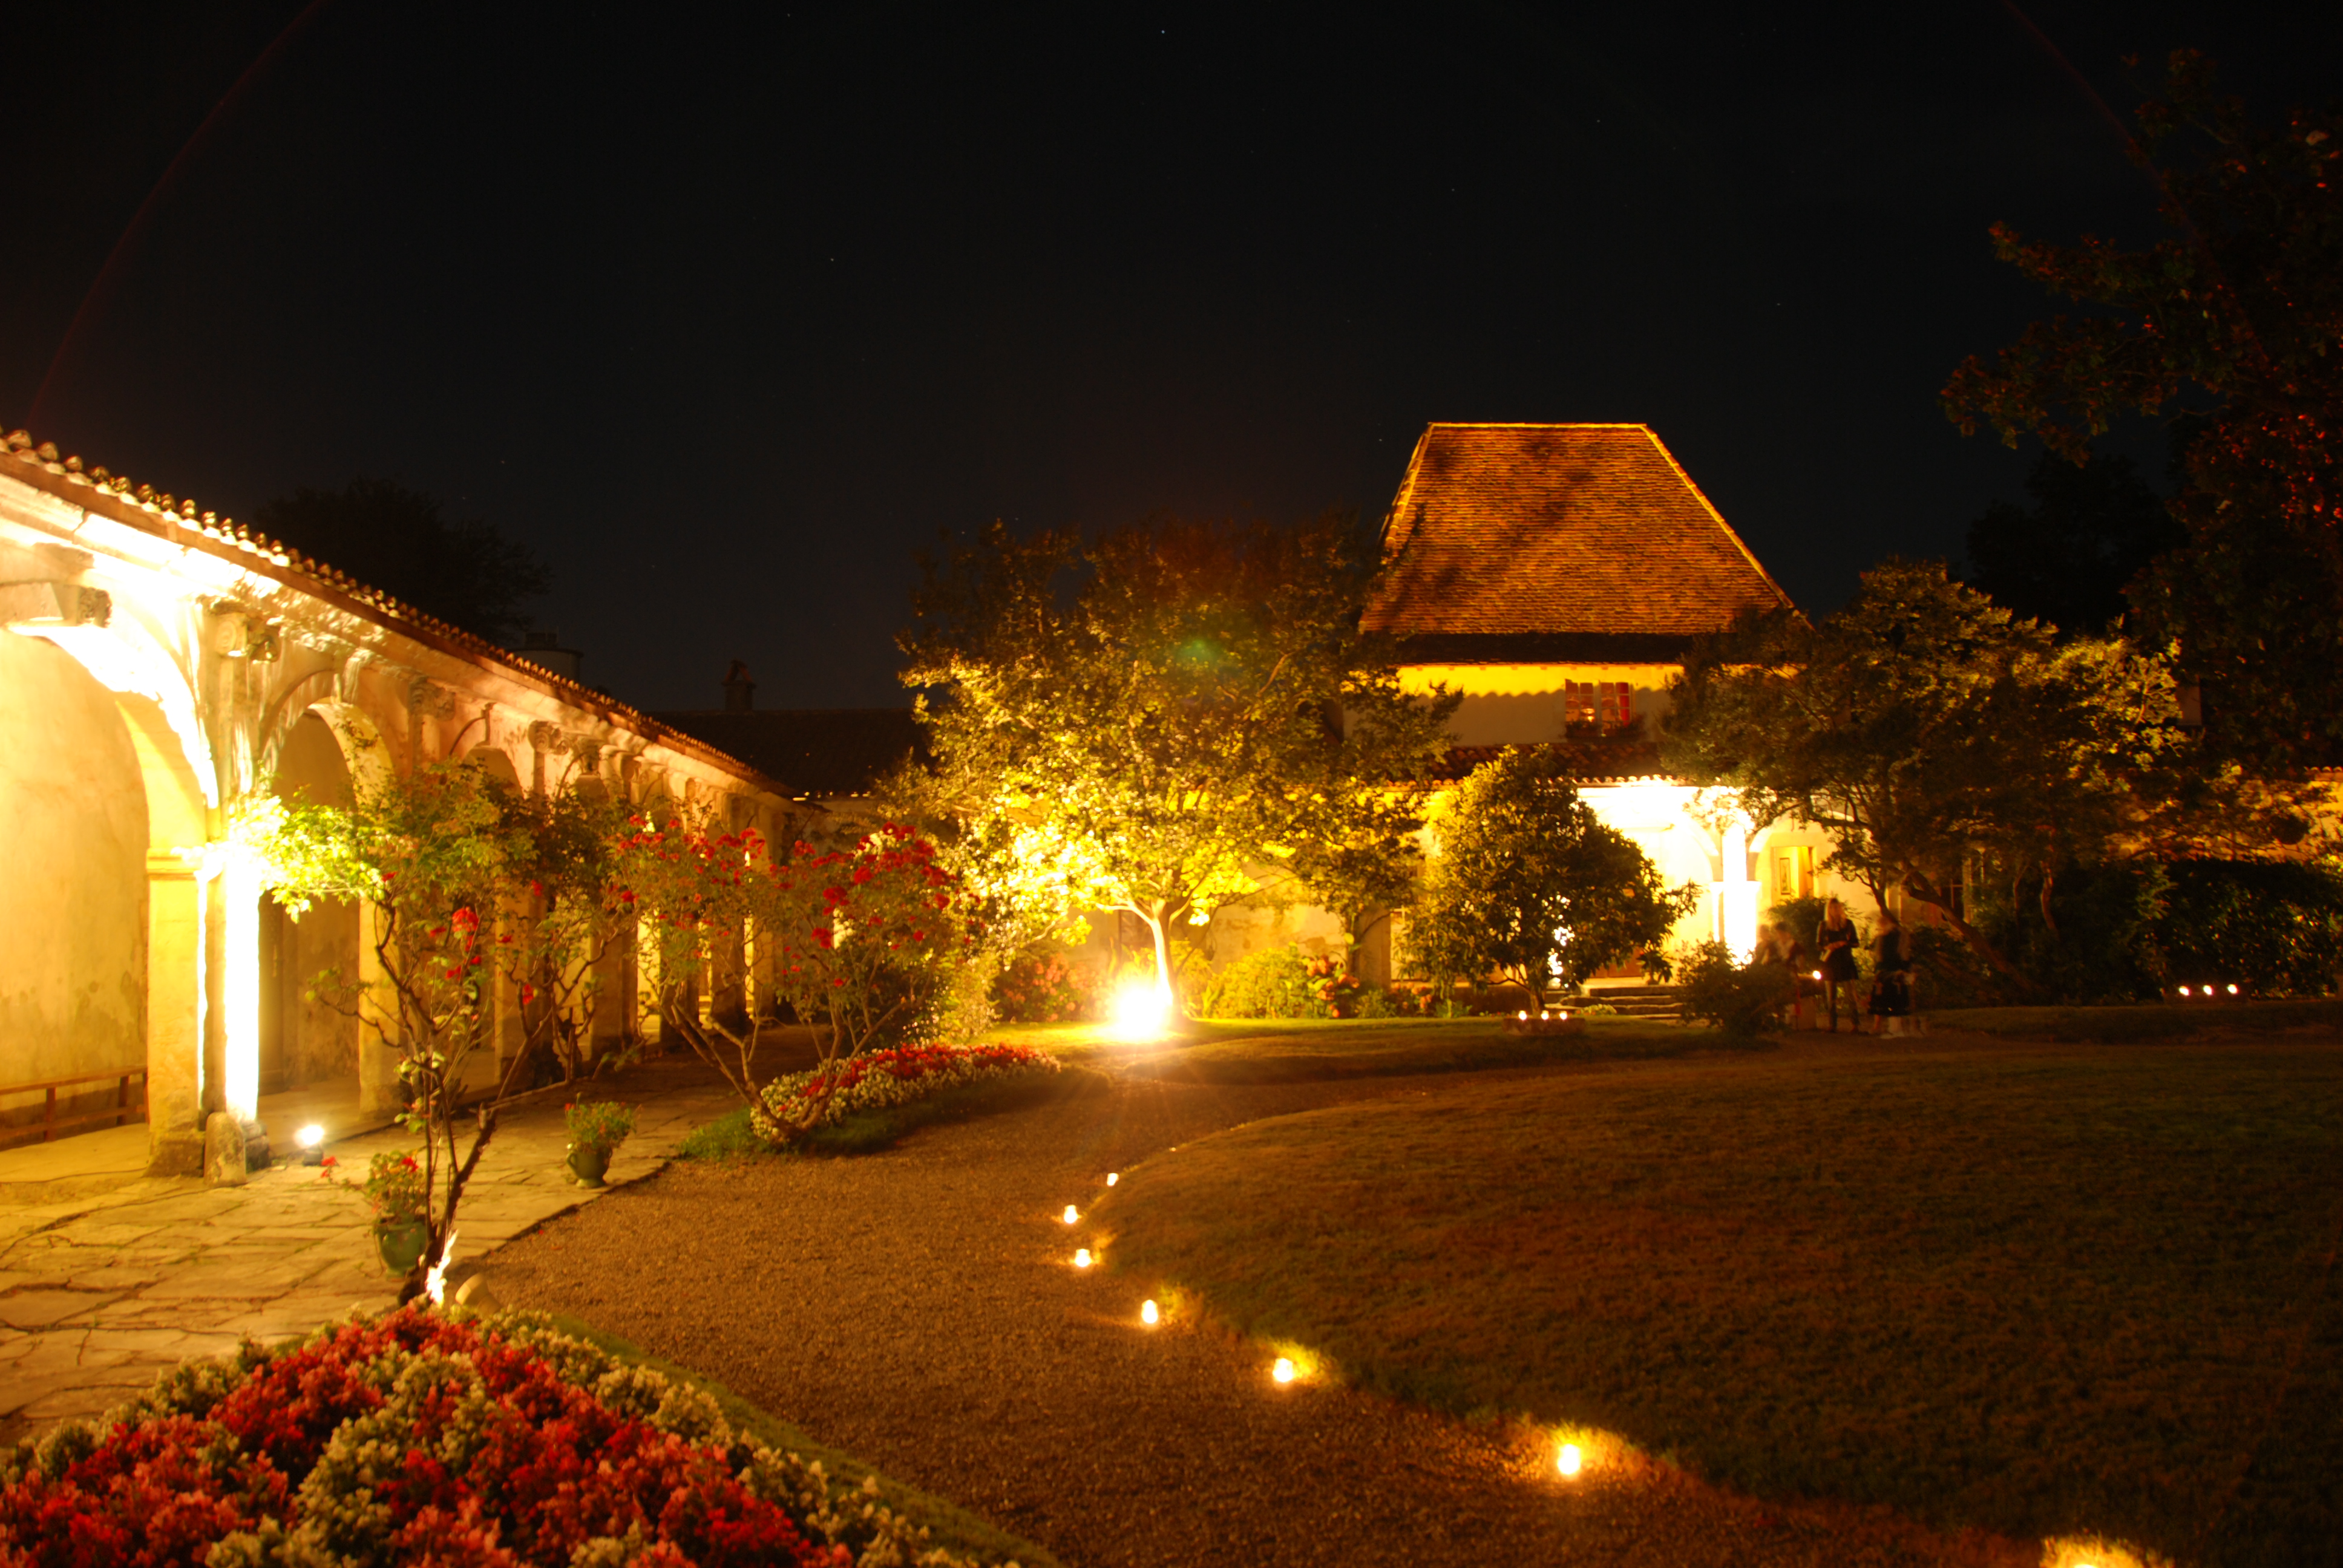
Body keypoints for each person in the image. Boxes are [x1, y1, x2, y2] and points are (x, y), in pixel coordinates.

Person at [1814, 898, 1860, 1031]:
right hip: (1831, 962)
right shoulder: (1824, 925)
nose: (1835, 910)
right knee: (1831, 996)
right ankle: (1832, 1024)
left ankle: (1855, 1023)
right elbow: (1818, 945)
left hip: (1845, 961)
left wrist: (1845, 943)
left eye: (1837, 907)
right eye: (1832, 908)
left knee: (1850, 994)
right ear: (1829, 910)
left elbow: (1856, 942)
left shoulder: (1848, 924)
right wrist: (1828, 947)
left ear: (1841, 909)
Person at [1870, 910, 1913, 1036]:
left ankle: (1884, 1026)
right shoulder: (1899, 935)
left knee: (1883, 997)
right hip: (1893, 968)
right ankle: (1896, 1026)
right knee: (1894, 998)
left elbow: (1882, 954)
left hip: (1888, 969)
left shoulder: (1888, 937)